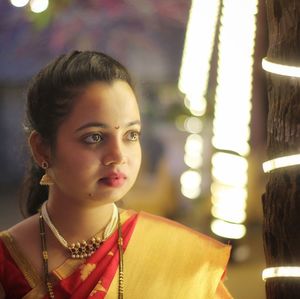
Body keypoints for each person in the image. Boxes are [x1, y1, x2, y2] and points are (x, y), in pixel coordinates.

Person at [0, 50, 232, 299]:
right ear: (42, 149)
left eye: (131, 135)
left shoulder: (184, 259)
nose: (119, 155)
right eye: (94, 137)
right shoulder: (9, 261)